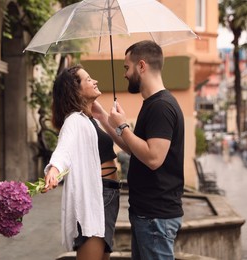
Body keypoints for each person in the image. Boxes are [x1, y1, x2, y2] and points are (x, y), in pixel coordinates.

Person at [107, 40, 185, 259]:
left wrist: (123, 125)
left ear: (141, 66)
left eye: (126, 67)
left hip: (155, 216)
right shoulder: (152, 103)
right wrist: (104, 117)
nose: (124, 74)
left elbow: (153, 158)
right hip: (146, 214)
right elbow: (135, 149)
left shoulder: (161, 106)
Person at [43, 65, 120, 260]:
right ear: (75, 90)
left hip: (108, 193)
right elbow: (64, 149)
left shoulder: (88, 119)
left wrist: (106, 117)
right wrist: (54, 168)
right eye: (88, 79)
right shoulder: (74, 121)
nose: (94, 81)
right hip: (97, 195)